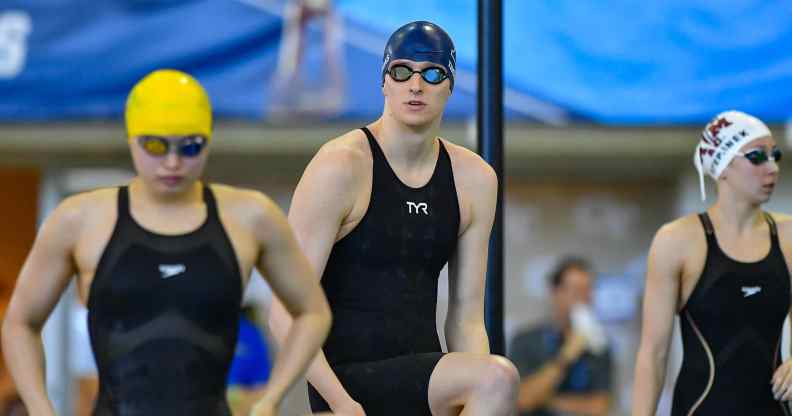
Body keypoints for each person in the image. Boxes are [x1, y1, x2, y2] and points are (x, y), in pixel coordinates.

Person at [1, 69, 331, 416]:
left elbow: (312, 313)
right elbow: (20, 321)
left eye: (190, 147)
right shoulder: (79, 220)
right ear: (132, 138)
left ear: (207, 140)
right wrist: (39, 407)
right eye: (155, 146)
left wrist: (271, 398)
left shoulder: (251, 217)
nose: (172, 162)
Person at [269, 20, 519, 416]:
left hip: (425, 378)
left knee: (496, 378)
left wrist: (480, 392)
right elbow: (285, 312)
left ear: (450, 86)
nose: (415, 85)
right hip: (346, 380)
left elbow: (467, 319)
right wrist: (340, 404)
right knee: (494, 377)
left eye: (432, 73)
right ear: (384, 81)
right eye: (402, 71)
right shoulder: (342, 166)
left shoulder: (474, 179)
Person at [633, 110, 792, 415]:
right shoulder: (677, 241)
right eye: (757, 157)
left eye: (776, 155)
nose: (772, 168)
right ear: (721, 168)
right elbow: (653, 353)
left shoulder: (788, 238)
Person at [509, 257, 612, 416]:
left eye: (588, 291)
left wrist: (544, 398)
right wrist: (567, 355)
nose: (584, 299)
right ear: (555, 292)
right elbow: (522, 399)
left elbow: (599, 408)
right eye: (577, 291)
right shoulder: (526, 340)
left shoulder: (598, 345)